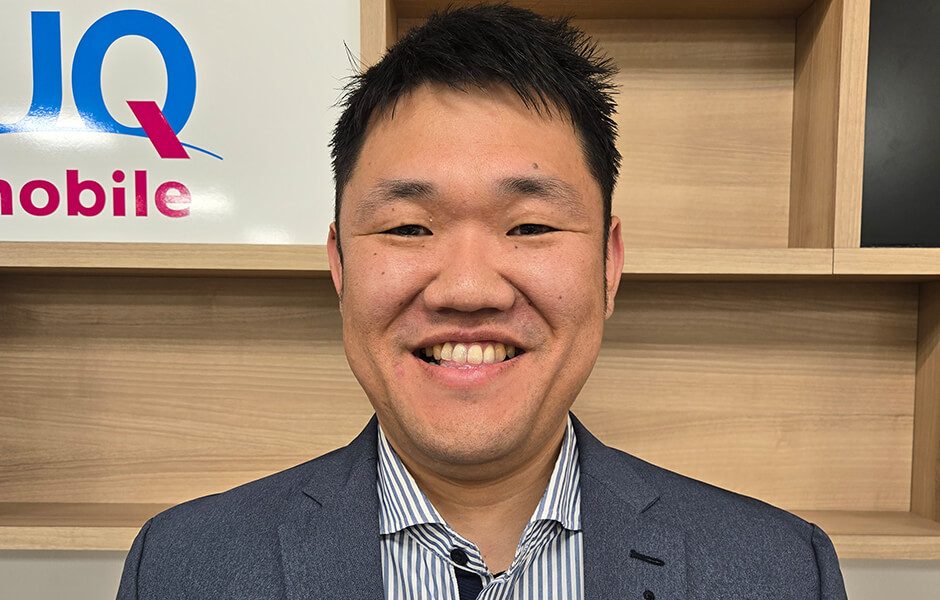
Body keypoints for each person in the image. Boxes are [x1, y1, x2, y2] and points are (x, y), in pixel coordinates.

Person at [117, 4, 847, 599]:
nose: (468, 289)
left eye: (529, 227)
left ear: (609, 263)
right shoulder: (184, 570)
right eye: (409, 228)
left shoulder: (781, 572)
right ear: (339, 264)